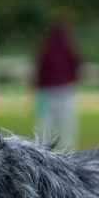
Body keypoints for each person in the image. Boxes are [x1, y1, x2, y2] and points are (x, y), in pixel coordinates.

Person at [34, 21, 80, 150]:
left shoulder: (46, 48)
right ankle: (69, 144)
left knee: (46, 120)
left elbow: (40, 69)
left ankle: (43, 145)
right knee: (67, 120)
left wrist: (38, 86)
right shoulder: (69, 48)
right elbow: (76, 64)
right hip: (65, 88)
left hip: (48, 90)